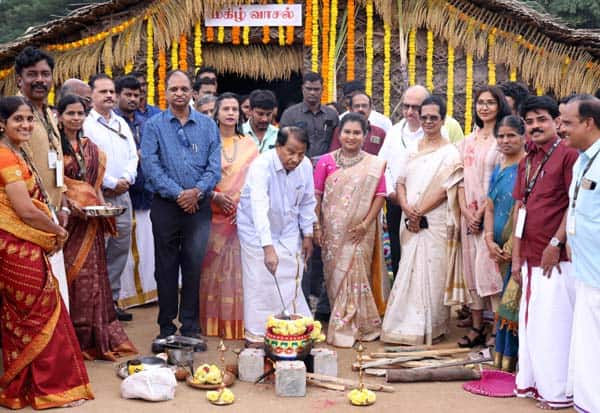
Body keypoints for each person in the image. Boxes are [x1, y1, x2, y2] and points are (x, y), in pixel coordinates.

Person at [0, 96, 94, 409]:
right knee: (36, 314)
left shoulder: (17, 152)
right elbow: (25, 210)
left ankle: (27, 387)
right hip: (15, 245)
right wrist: (57, 230)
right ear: (2, 123)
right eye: (18, 119)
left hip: (23, 242)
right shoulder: (5, 156)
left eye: (29, 119)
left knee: (27, 315)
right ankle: (47, 388)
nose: (26, 125)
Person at [141, 70, 221, 340]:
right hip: (166, 206)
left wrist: (196, 192)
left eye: (184, 89)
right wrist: (179, 194)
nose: (179, 93)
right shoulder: (154, 126)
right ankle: (166, 327)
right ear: (165, 92)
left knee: (193, 266)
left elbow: (214, 167)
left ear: (193, 93)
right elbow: (150, 166)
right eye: (173, 89)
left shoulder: (208, 126)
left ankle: (190, 327)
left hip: (198, 208)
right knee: (165, 267)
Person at [58, 94, 138, 360]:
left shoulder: (90, 147)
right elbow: (55, 185)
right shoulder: (54, 147)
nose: (75, 118)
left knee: (93, 276)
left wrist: (102, 208)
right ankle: (71, 336)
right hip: (68, 222)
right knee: (72, 275)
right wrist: (69, 204)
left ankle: (94, 333)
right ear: (59, 117)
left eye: (79, 113)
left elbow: (94, 185)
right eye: (70, 113)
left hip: (90, 221)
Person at [512, 95, 578, 410]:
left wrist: (556, 243)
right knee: (533, 324)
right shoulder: (526, 160)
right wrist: (515, 258)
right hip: (529, 254)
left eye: (542, 119)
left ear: (556, 122)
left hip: (556, 259)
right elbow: (520, 209)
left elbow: (573, 204)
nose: (535, 126)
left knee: (555, 326)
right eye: (529, 121)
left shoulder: (568, 155)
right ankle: (537, 384)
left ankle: (559, 392)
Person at [381, 96, 463, 345]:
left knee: (433, 269)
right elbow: (400, 182)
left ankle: (431, 326)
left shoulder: (450, 153)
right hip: (409, 218)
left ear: (443, 120)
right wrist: (407, 208)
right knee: (408, 266)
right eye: (424, 117)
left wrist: (419, 212)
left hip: (434, 220)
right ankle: (403, 324)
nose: (427, 121)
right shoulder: (412, 149)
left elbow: (445, 188)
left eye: (433, 118)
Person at [237, 126, 316, 343]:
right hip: (255, 229)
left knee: (291, 275)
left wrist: (308, 234)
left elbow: (308, 201)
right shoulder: (261, 166)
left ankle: (293, 329)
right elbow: (259, 208)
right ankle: (257, 334)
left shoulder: (305, 165)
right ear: (278, 146)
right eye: (290, 152)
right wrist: (267, 247)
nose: (295, 159)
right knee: (260, 281)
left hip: (288, 228)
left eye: (301, 153)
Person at [314, 113, 386, 347]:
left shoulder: (374, 164)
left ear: (365, 136)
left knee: (356, 273)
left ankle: (361, 325)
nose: (351, 137)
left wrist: (365, 224)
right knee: (335, 276)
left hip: (360, 232)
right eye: (347, 132)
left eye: (357, 133)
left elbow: (380, 196)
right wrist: (317, 226)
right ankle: (341, 320)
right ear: (339, 133)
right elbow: (316, 196)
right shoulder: (325, 162)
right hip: (332, 233)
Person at [279, 71, 338, 320]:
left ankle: (321, 301)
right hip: (296, 179)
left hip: (327, 183)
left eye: (317, 89)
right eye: (309, 88)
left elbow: (336, 146)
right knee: (300, 240)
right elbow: (282, 148)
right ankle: (298, 299)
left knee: (321, 236)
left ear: (323, 89)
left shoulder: (331, 116)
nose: (313, 93)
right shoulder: (291, 115)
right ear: (302, 89)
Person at [15, 46, 71, 310]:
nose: (40, 80)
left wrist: (63, 205)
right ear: (19, 79)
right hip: (26, 218)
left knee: (55, 291)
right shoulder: (14, 116)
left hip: (52, 214)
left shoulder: (49, 113)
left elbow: (55, 164)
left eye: (45, 74)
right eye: (32, 74)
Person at [200, 93, 259, 340]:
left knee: (238, 272)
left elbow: (255, 182)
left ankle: (238, 324)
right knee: (212, 271)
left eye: (235, 109)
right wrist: (215, 197)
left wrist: (241, 208)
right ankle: (213, 325)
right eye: (226, 109)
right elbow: (199, 176)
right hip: (212, 214)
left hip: (240, 217)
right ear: (217, 113)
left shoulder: (249, 145)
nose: (231, 113)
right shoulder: (206, 142)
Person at [457, 86, 512, 348]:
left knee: (490, 271)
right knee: (470, 270)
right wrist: (466, 211)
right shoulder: (468, 140)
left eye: (490, 102)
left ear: (500, 106)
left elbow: (500, 180)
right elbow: (457, 178)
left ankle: (496, 329)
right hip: (467, 215)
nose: (485, 107)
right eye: (480, 102)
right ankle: (477, 326)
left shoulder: (502, 139)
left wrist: (480, 213)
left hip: (490, 214)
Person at [83, 74, 139, 322]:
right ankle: (95, 306)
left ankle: (112, 302)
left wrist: (126, 179)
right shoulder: (86, 124)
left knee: (120, 248)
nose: (108, 96)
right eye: (103, 91)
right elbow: (87, 161)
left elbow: (133, 156)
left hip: (123, 195)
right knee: (99, 250)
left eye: (111, 92)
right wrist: (110, 183)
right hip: (99, 196)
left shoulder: (121, 123)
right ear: (91, 95)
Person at [560, 94, 600, 413]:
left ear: (589, 123)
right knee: (589, 343)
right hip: (586, 270)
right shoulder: (581, 160)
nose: (562, 128)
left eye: (568, 123)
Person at [482, 115, 526, 372]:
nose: (505, 140)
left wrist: (511, 246)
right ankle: (503, 358)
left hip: (516, 247)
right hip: (497, 246)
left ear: (523, 137)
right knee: (503, 299)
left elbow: (523, 208)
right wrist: (489, 239)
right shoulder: (499, 167)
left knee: (513, 302)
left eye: (511, 135)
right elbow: (489, 206)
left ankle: (514, 358)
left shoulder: (526, 167)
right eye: (501, 136)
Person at [114, 75, 157, 309]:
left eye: (136, 95)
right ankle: (125, 297)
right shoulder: (112, 122)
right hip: (122, 192)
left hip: (147, 192)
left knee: (147, 246)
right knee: (125, 249)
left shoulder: (146, 121)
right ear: (117, 95)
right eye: (127, 94)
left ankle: (150, 293)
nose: (132, 99)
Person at [378, 85, 429, 277]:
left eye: (416, 107)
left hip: (426, 204)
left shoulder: (437, 131)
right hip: (395, 202)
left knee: (423, 250)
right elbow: (383, 166)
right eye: (406, 106)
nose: (409, 112)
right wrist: (392, 193)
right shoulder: (394, 131)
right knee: (398, 248)